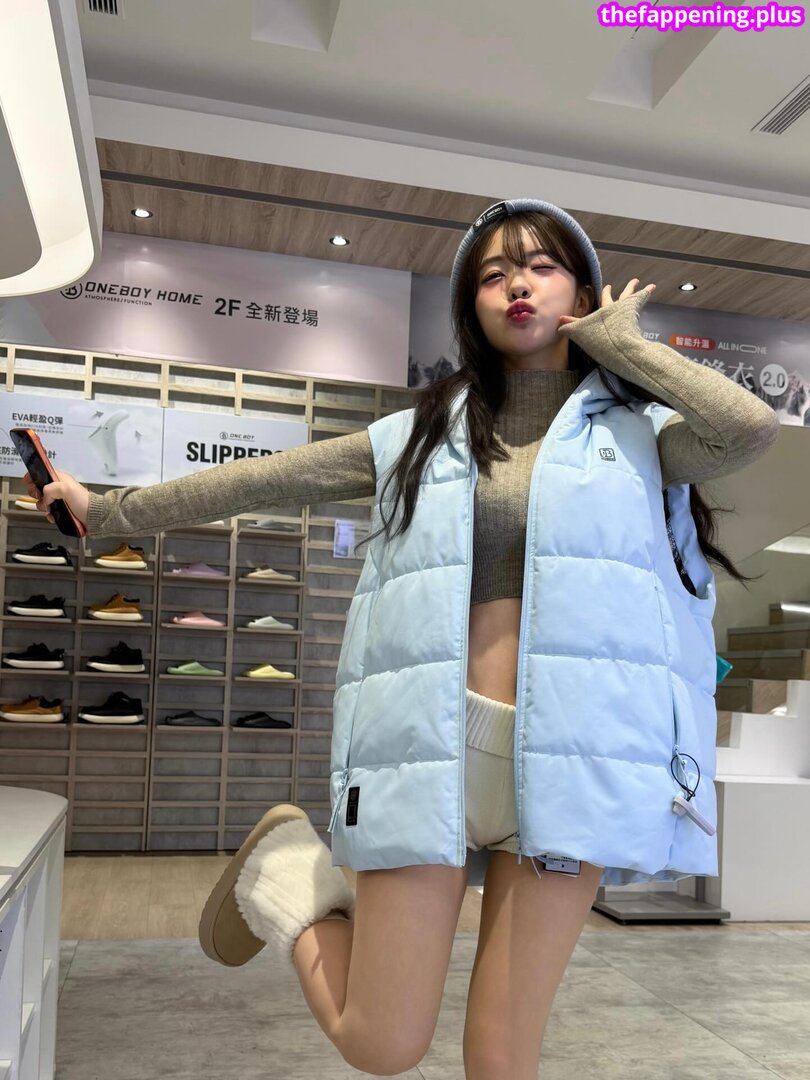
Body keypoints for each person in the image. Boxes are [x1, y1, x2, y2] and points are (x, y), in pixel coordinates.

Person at [27, 198, 780, 1078]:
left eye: (541, 266)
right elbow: (262, 479)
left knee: (503, 1057)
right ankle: (289, 875)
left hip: (578, 761)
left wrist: (626, 349)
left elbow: (749, 428)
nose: (518, 285)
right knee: (383, 1042)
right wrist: (109, 509)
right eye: (494, 274)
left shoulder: (646, 441)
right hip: (432, 747)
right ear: (473, 308)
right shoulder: (416, 438)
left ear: (582, 291)